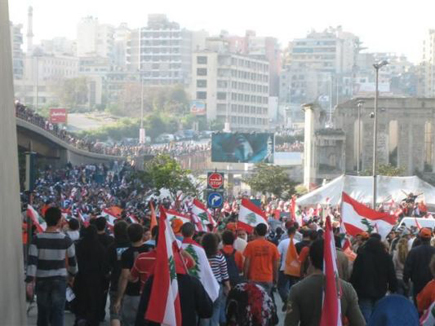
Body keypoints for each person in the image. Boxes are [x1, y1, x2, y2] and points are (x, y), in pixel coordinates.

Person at [284, 239, 365, 326]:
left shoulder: (297, 289)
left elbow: (290, 322)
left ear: (310, 259)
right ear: (333, 260)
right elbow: (359, 323)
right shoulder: (347, 289)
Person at [26, 207, 78, 326]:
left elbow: (32, 263)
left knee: (43, 314)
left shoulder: (36, 239)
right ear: (59, 221)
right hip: (59, 280)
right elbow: (73, 263)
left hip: (42, 280)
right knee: (58, 313)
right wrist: (72, 275)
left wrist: (30, 281)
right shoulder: (66, 240)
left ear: (46, 219)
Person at [350, 236, 398, 322]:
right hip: (380, 290)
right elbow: (391, 273)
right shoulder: (385, 257)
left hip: (364, 291)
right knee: (377, 313)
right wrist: (393, 287)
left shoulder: (362, 255)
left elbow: (356, 273)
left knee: (366, 315)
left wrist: (352, 286)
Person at [113, 224, 153, 326]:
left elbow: (124, 277)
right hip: (150, 294)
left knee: (129, 322)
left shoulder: (126, 253)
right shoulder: (150, 250)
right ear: (142, 235)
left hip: (132, 294)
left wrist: (118, 299)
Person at [73, 225, 109, 326]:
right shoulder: (101, 248)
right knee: (94, 304)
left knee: (82, 303)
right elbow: (104, 267)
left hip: (82, 279)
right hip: (96, 282)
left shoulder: (79, 245)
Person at [201, 233, 231, 326]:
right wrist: (228, 287)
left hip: (204, 287)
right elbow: (224, 274)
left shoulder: (201, 255)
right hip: (217, 286)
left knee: (204, 312)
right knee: (216, 309)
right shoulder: (220, 256)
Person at [243, 223, 280, 294]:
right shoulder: (273, 247)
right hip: (267, 278)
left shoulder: (250, 245)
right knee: (265, 301)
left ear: (256, 232)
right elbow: (276, 265)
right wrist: (276, 278)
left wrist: (245, 277)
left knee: (254, 301)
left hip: (253, 278)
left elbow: (246, 264)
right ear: (266, 232)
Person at [107, 220, 130, 326]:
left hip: (116, 281)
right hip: (131, 283)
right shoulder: (132, 246)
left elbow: (108, 266)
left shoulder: (112, 247)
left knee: (115, 313)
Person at [404, 227, 435, 304]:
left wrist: (406, 280)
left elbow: (408, 268)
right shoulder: (433, 251)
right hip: (432, 283)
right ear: (430, 237)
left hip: (417, 283)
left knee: (417, 305)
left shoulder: (414, 251)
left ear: (420, 237)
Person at [95, 216, 114, 322]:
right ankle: (100, 312)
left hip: (93, 271)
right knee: (103, 292)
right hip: (105, 272)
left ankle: (94, 311)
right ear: (106, 225)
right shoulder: (110, 239)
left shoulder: (90, 239)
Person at [277, 226, 299, 307]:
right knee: (293, 287)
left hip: (284, 268)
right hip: (295, 268)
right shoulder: (297, 242)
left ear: (287, 233)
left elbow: (278, 255)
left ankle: (286, 299)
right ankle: (291, 302)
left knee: (281, 287)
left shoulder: (283, 242)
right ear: (295, 233)